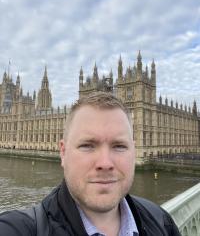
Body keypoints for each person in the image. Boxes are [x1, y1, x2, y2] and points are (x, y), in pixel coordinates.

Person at [0, 92, 181, 236]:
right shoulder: (23, 228)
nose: (105, 163)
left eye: (119, 146)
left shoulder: (161, 222)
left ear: (133, 151)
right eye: (87, 145)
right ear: (63, 151)